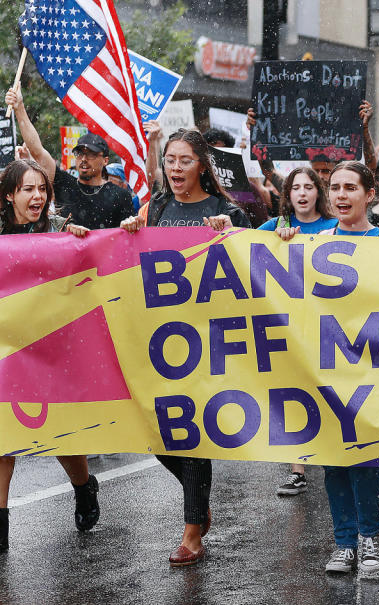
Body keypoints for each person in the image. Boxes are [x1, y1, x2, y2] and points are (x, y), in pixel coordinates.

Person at [276, 161, 379, 574]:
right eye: (335, 188)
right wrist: (283, 242)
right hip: (326, 365)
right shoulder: (314, 241)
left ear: (368, 194)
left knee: (363, 454)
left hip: (371, 365)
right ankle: (344, 542)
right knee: (333, 456)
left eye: (350, 188)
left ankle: (369, 535)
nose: (341, 195)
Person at [0, 160, 98, 556]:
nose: (37, 197)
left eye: (42, 189)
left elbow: (88, 280)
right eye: (28, 189)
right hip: (3, 346)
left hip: (53, 345)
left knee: (61, 433)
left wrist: (84, 243)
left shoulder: (61, 230)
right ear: (9, 195)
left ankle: (83, 487)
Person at [122, 128, 250, 566]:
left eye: (184, 161)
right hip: (162, 337)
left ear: (202, 166)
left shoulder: (225, 209)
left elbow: (254, 270)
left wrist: (232, 236)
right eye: (170, 161)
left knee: (193, 433)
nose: (175, 168)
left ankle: (192, 531)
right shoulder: (156, 207)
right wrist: (130, 231)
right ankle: (199, 504)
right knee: (157, 430)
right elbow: (133, 260)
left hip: (209, 340)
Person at [256, 166, 336, 495]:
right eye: (295, 188)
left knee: (329, 389)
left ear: (319, 192)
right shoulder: (277, 226)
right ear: (287, 195)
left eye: (308, 187)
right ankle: (298, 469)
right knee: (294, 391)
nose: (302, 193)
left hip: (329, 321)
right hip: (289, 322)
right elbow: (237, 244)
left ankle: (337, 454)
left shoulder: (334, 227)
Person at [5, 86, 133, 230]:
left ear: (105, 160)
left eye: (91, 154)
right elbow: (38, 151)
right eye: (79, 153)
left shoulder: (120, 196)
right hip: (67, 253)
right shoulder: (65, 184)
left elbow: (127, 240)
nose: (84, 159)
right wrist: (19, 108)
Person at [247, 101, 378, 189]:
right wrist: (259, 128)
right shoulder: (298, 193)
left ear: (337, 169)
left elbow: (371, 171)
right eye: (316, 171)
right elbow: (268, 171)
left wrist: (364, 130)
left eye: (326, 171)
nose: (320, 176)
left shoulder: (348, 194)